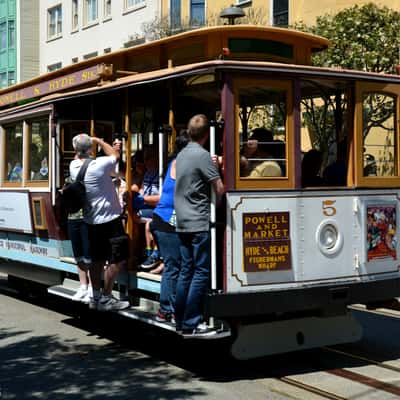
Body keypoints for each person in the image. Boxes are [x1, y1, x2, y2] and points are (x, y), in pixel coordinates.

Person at [174, 114, 225, 336]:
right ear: (206, 134)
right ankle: (192, 322)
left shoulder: (182, 154)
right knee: (201, 272)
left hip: (183, 221)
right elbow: (220, 188)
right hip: (198, 222)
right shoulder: (203, 156)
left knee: (186, 271)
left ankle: (180, 318)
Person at [74, 133, 130, 311]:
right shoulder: (98, 165)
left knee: (97, 259)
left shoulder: (74, 165)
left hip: (91, 221)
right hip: (110, 220)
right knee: (118, 258)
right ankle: (106, 297)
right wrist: (99, 140)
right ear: (90, 148)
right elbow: (115, 156)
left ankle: (95, 296)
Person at [150, 130, 190, 323]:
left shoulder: (176, 161)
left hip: (167, 220)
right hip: (167, 222)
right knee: (173, 266)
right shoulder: (182, 163)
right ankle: (166, 310)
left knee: (177, 265)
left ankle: (172, 307)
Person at [68, 136, 92, 302]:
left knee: (87, 253)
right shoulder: (90, 163)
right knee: (80, 254)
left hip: (86, 215)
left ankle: (90, 286)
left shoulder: (77, 164)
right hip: (75, 214)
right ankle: (84, 286)